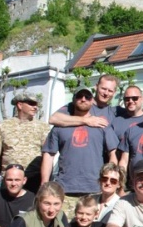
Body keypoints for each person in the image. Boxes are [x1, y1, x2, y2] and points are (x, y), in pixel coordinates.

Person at [40, 86, 119, 219]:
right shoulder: (60, 126)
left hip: (94, 191)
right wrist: (44, 183)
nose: (83, 99)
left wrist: (111, 181)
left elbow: (113, 155)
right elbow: (48, 155)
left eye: (87, 97)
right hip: (64, 190)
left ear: (92, 100)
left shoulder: (101, 125)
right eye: (79, 96)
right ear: (73, 99)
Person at [0, 91, 50, 196]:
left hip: (33, 180)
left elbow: (47, 155)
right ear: (20, 105)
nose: (35, 107)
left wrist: (44, 182)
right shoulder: (3, 125)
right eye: (31, 104)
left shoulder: (43, 127)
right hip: (9, 179)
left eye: (36, 104)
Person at [48, 74, 120, 127]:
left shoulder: (115, 111)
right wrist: (86, 120)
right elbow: (53, 119)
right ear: (96, 87)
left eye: (110, 91)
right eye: (103, 89)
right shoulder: (82, 104)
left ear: (114, 92)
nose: (106, 93)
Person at [111, 86, 143, 156]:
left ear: (142, 99)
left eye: (135, 98)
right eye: (127, 99)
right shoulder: (116, 122)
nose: (130, 101)